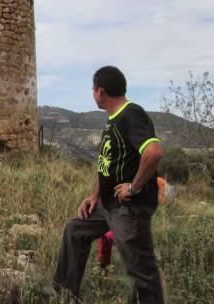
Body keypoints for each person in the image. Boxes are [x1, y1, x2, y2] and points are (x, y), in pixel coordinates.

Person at [53, 66, 165, 304]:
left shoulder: (131, 114)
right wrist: (95, 196)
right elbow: (107, 164)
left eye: (93, 89)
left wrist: (133, 188)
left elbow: (153, 152)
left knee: (140, 271)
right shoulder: (113, 119)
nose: (93, 94)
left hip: (129, 208)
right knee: (75, 231)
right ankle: (64, 296)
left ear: (100, 91)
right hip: (107, 203)